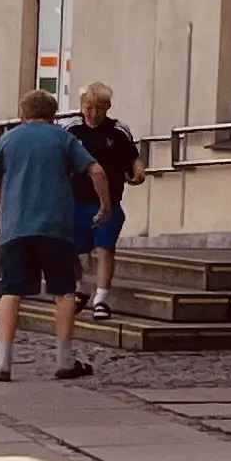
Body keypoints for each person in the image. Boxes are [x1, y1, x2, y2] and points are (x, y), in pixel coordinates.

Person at [0, 88, 97, 384]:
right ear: (53, 114)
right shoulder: (64, 138)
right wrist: (104, 206)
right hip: (56, 227)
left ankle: (3, 363)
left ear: (22, 113)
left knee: (10, 291)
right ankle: (65, 360)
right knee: (64, 291)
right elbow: (96, 170)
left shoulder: (9, 138)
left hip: (16, 228)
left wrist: (0, 198)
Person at [66, 79, 140, 317]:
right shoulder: (71, 129)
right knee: (71, 249)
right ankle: (77, 289)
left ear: (108, 106)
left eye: (99, 108)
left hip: (109, 201)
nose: (93, 113)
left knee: (105, 248)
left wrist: (139, 171)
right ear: (81, 105)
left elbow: (133, 157)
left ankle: (101, 298)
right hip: (76, 199)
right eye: (89, 107)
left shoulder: (118, 130)